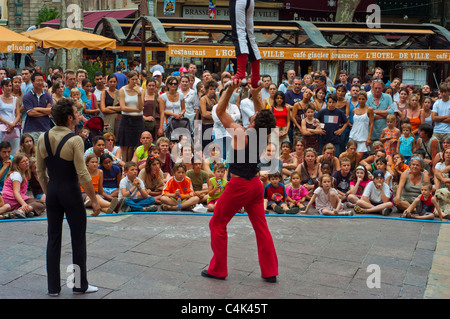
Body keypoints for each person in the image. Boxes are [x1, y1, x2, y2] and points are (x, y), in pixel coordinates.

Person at [202, 79, 278, 283]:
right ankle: (270, 271)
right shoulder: (264, 132)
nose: (253, 111)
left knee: (217, 223)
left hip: (239, 185)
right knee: (261, 227)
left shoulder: (240, 132)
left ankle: (218, 270)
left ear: (253, 119)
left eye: (254, 112)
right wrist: (255, 94)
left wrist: (229, 90)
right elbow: (264, 116)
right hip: (255, 185)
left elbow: (218, 112)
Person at [36, 97, 101, 296]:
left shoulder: (42, 137)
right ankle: (79, 285)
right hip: (71, 193)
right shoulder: (75, 139)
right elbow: (83, 174)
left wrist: (50, 193)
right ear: (70, 117)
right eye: (77, 112)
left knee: (53, 239)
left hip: (53, 191)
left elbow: (40, 173)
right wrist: (95, 199)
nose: (80, 115)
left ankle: (53, 288)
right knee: (77, 239)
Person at [228, 0, 261, 88]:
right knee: (250, 37)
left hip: (238, 1)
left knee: (239, 34)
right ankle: (256, 78)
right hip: (250, 2)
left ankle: (240, 73)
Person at [22, 72, 53, 144]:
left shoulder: (47, 95)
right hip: (32, 129)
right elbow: (30, 113)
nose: (40, 83)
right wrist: (45, 112)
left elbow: (51, 110)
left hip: (45, 128)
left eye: (42, 80)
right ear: (32, 82)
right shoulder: (27, 96)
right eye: (38, 80)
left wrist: (37, 109)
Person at [349, 90, 374, 156]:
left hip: (363, 137)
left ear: (366, 99)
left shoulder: (369, 109)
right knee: (351, 155)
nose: (361, 101)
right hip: (353, 135)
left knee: (359, 157)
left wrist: (369, 138)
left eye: (363, 99)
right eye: (359, 99)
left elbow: (371, 124)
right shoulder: (354, 110)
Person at [0, 78, 22, 154]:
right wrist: (8, 123)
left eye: (10, 86)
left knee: (15, 151)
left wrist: (12, 124)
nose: (9, 88)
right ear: (2, 87)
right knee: (2, 150)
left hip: (13, 128)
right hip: (2, 128)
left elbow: (18, 114)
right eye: (7, 86)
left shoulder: (15, 99)